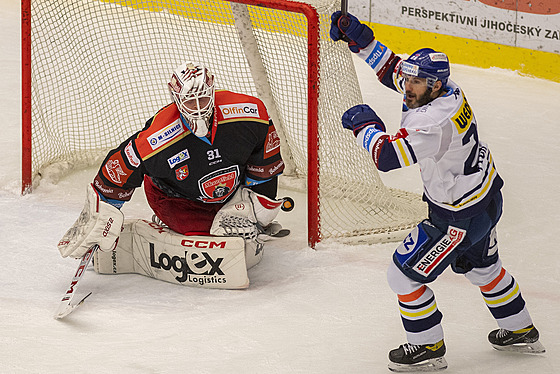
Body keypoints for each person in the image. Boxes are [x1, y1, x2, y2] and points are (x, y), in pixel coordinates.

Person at [330, 12, 545, 372]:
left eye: (418, 82)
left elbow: (386, 156)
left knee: (402, 276)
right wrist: (362, 40)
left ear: (435, 86)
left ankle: (427, 347)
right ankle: (519, 328)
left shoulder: (434, 122)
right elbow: (394, 70)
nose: (408, 86)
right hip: (486, 198)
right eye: (410, 79)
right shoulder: (442, 89)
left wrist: (364, 125)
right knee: (485, 270)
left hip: (455, 219)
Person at [57, 62, 286, 287]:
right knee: (215, 241)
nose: (197, 107)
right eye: (189, 101)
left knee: (241, 235)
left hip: (230, 194)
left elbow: (266, 160)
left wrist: (256, 206)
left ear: (213, 91)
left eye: (203, 99)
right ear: (175, 98)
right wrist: (102, 210)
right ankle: (160, 229)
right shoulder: (158, 137)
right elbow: (120, 166)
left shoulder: (249, 113)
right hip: (175, 199)